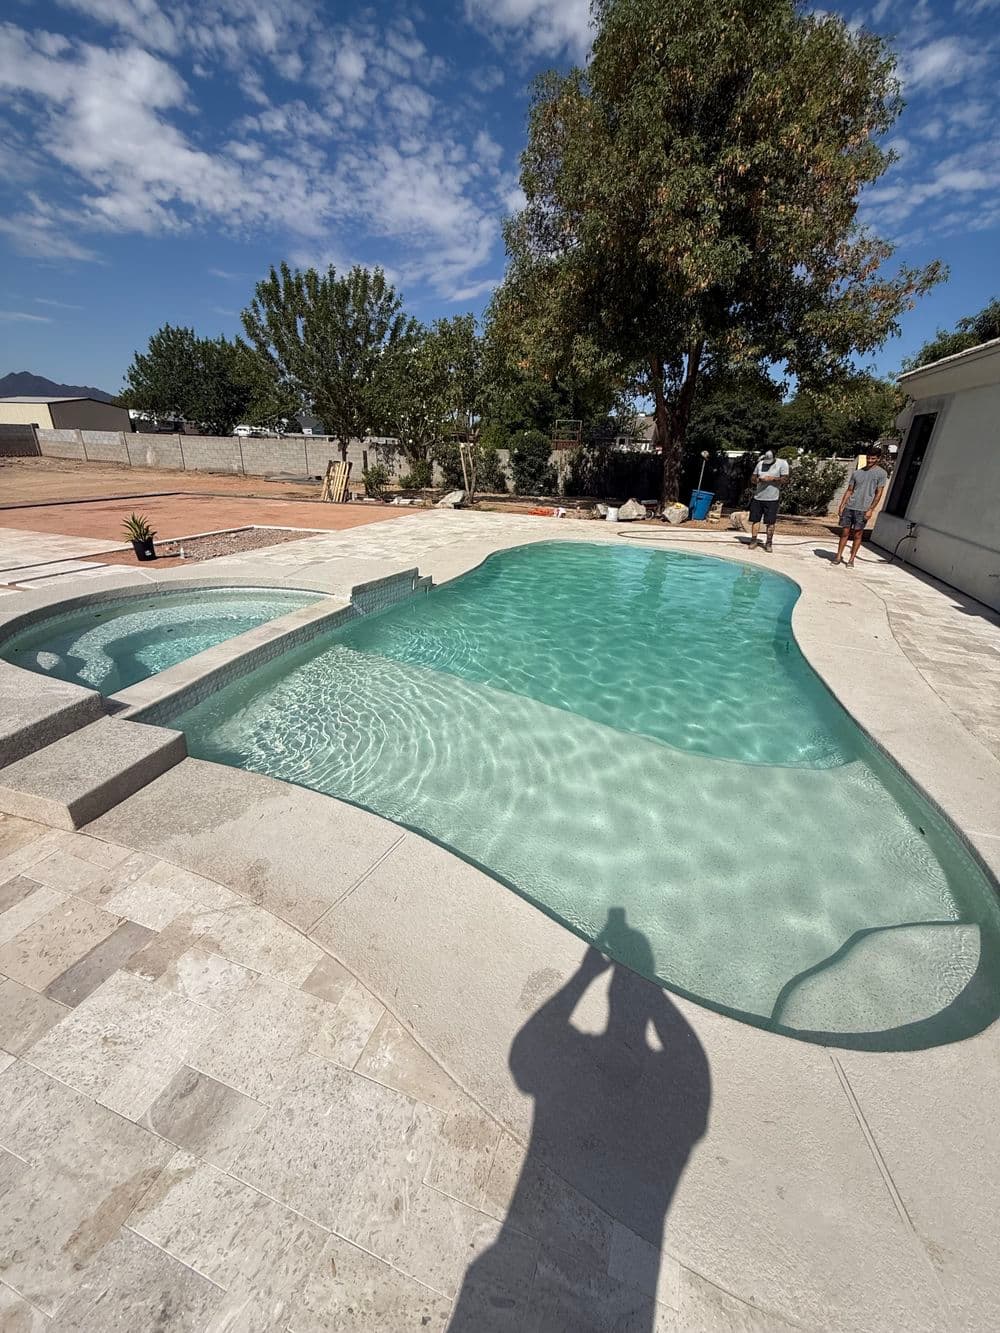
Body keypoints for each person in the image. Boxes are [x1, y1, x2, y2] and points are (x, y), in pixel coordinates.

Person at [834, 450, 889, 566]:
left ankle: (851, 559)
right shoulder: (857, 473)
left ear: (878, 459)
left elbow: (879, 493)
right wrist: (842, 505)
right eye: (869, 458)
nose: (870, 460)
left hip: (863, 509)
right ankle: (838, 556)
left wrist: (871, 509)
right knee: (844, 532)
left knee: (858, 534)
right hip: (850, 506)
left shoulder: (881, 474)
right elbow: (849, 490)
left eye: (873, 458)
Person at [747, 449, 789, 552]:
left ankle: (769, 542)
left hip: (772, 498)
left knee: (770, 522)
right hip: (758, 496)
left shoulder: (782, 464)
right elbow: (753, 478)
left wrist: (773, 479)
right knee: (755, 520)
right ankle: (753, 540)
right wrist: (759, 480)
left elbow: (786, 480)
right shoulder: (760, 464)